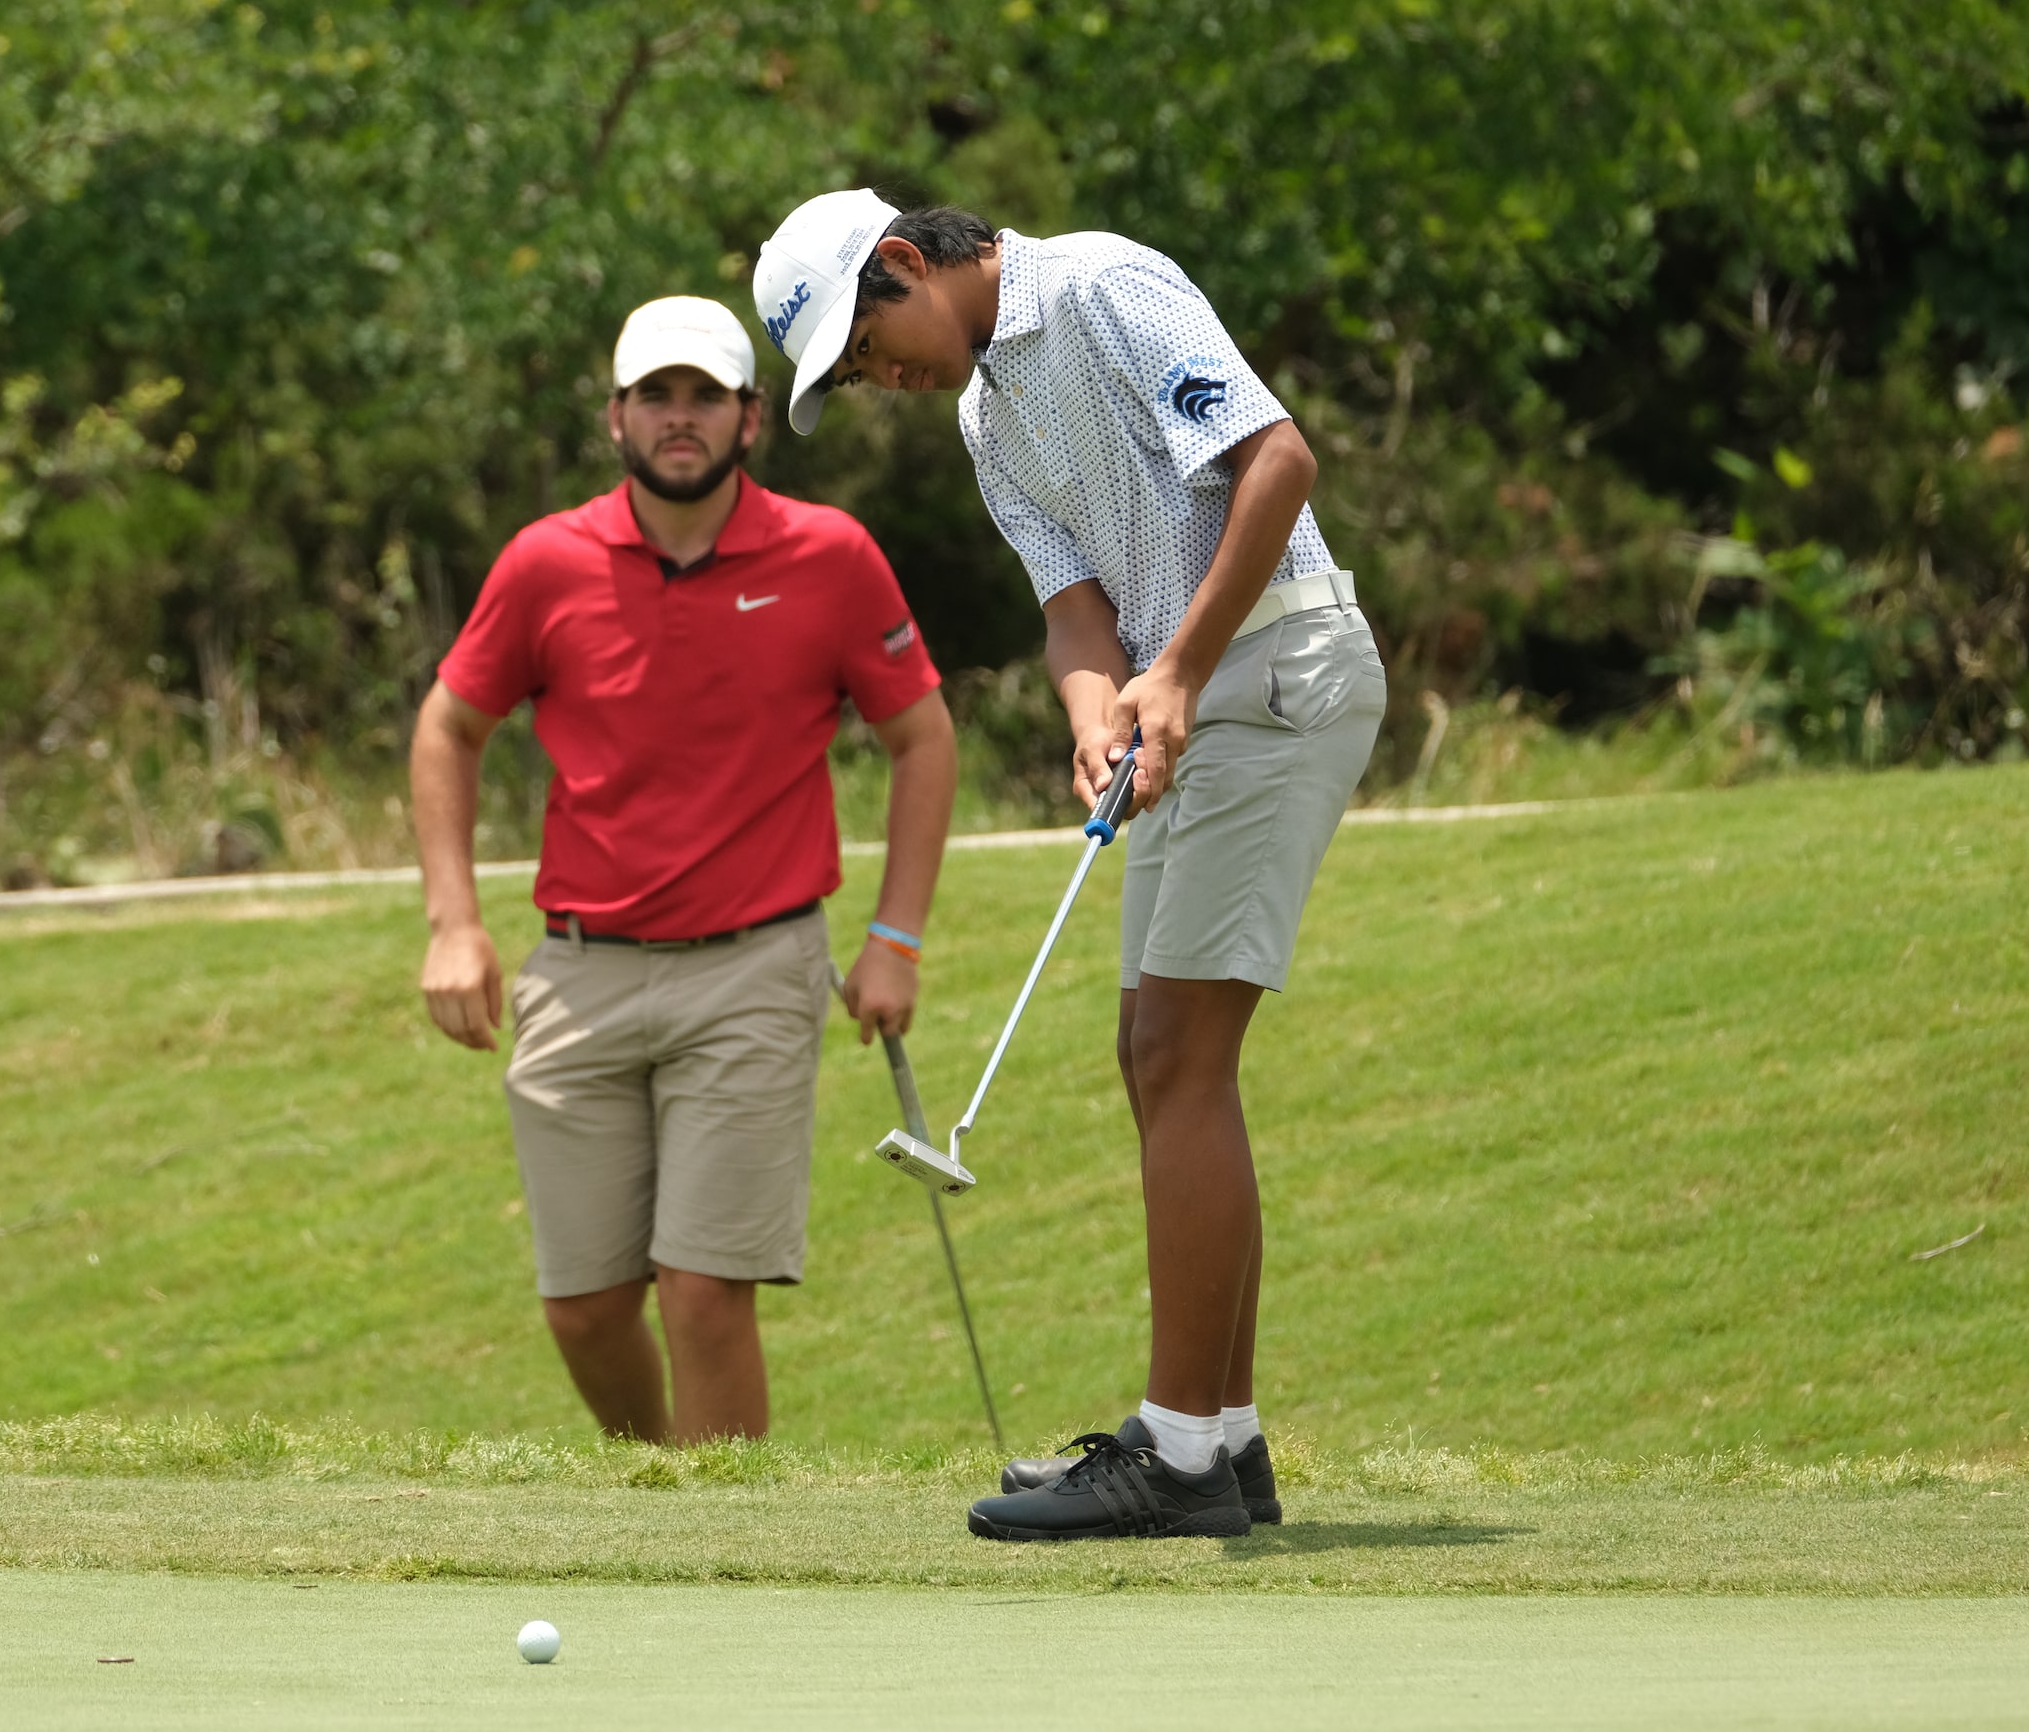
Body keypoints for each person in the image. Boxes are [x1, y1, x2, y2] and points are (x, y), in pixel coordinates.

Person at [754, 191, 1385, 1536]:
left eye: (870, 353)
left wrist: (1179, 672)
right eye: (857, 381)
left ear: (905, 263)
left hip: (1278, 668)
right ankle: (1227, 1435)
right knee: (1146, 1049)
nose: (885, 385)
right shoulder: (988, 415)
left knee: (1177, 1054)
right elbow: (1072, 613)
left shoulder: (1100, 282)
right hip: (1196, 690)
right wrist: (1097, 710)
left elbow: (1277, 462)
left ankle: (1176, 1459)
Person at [410, 294, 957, 1442]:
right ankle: (659, 1494)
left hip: (754, 967)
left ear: (751, 419)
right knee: (586, 1307)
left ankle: (722, 1543)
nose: (679, 418)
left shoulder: (829, 555)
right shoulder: (545, 563)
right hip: (580, 970)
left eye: (705, 395)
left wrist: (896, 937)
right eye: (655, 395)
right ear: (614, 417)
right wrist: (453, 924)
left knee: (707, 1296)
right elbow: (448, 728)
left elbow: (921, 735)